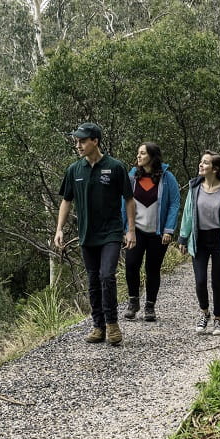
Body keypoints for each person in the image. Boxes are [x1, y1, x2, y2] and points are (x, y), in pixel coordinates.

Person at [55, 122, 136, 346]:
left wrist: (131, 230)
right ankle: (98, 326)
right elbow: (66, 200)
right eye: (77, 141)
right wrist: (59, 229)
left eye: (82, 141)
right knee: (92, 281)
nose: (78, 145)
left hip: (111, 232)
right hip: (87, 234)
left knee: (106, 276)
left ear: (95, 141)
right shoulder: (74, 170)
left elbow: (129, 199)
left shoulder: (116, 167)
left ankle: (112, 324)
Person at [177, 150, 220, 336]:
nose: (201, 165)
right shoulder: (194, 189)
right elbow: (188, 214)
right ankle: (204, 314)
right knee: (200, 281)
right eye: (201, 162)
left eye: (205, 163)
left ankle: (218, 320)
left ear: (216, 168)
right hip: (199, 239)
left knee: (216, 282)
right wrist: (183, 237)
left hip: (219, 240)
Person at [121, 142, 180, 322]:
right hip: (136, 231)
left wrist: (169, 229)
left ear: (152, 157)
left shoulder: (167, 178)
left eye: (142, 153)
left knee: (152, 269)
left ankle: (150, 306)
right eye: (138, 153)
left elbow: (174, 203)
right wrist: (124, 228)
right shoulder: (132, 177)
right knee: (131, 265)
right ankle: (133, 302)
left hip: (158, 233)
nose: (138, 156)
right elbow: (123, 202)